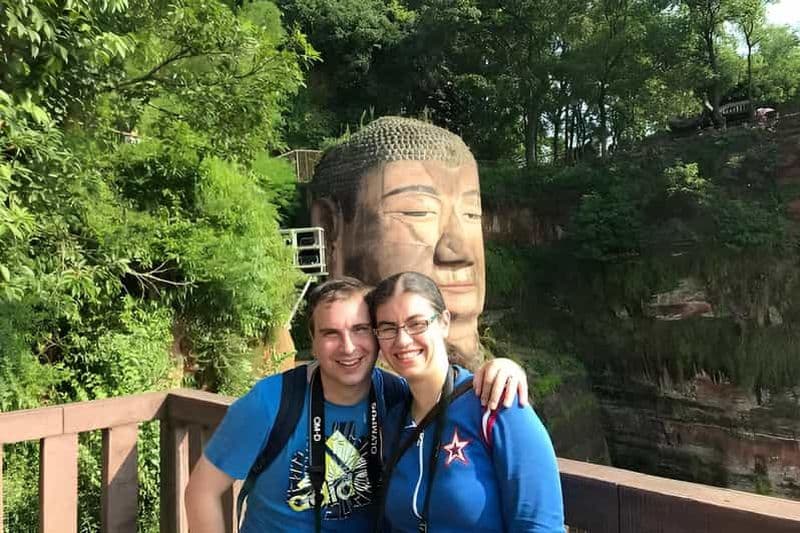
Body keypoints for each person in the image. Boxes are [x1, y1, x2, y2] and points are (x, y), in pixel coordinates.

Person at [185, 277, 530, 533]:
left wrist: (502, 367)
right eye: (331, 333)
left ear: (378, 337)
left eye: (361, 329)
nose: (348, 347)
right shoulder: (271, 402)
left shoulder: (396, 395)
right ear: (314, 342)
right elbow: (202, 491)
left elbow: (445, 391)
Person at [368, 272, 564, 532]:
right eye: (388, 327)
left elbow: (540, 525)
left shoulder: (496, 405)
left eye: (417, 323)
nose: (402, 340)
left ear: (444, 322)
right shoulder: (393, 421)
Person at [311, 117, 485, 367]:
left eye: (472, 214)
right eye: (416, 211)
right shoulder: (284, 400)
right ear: (330, 233)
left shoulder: (500, 399)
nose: (460, 252)